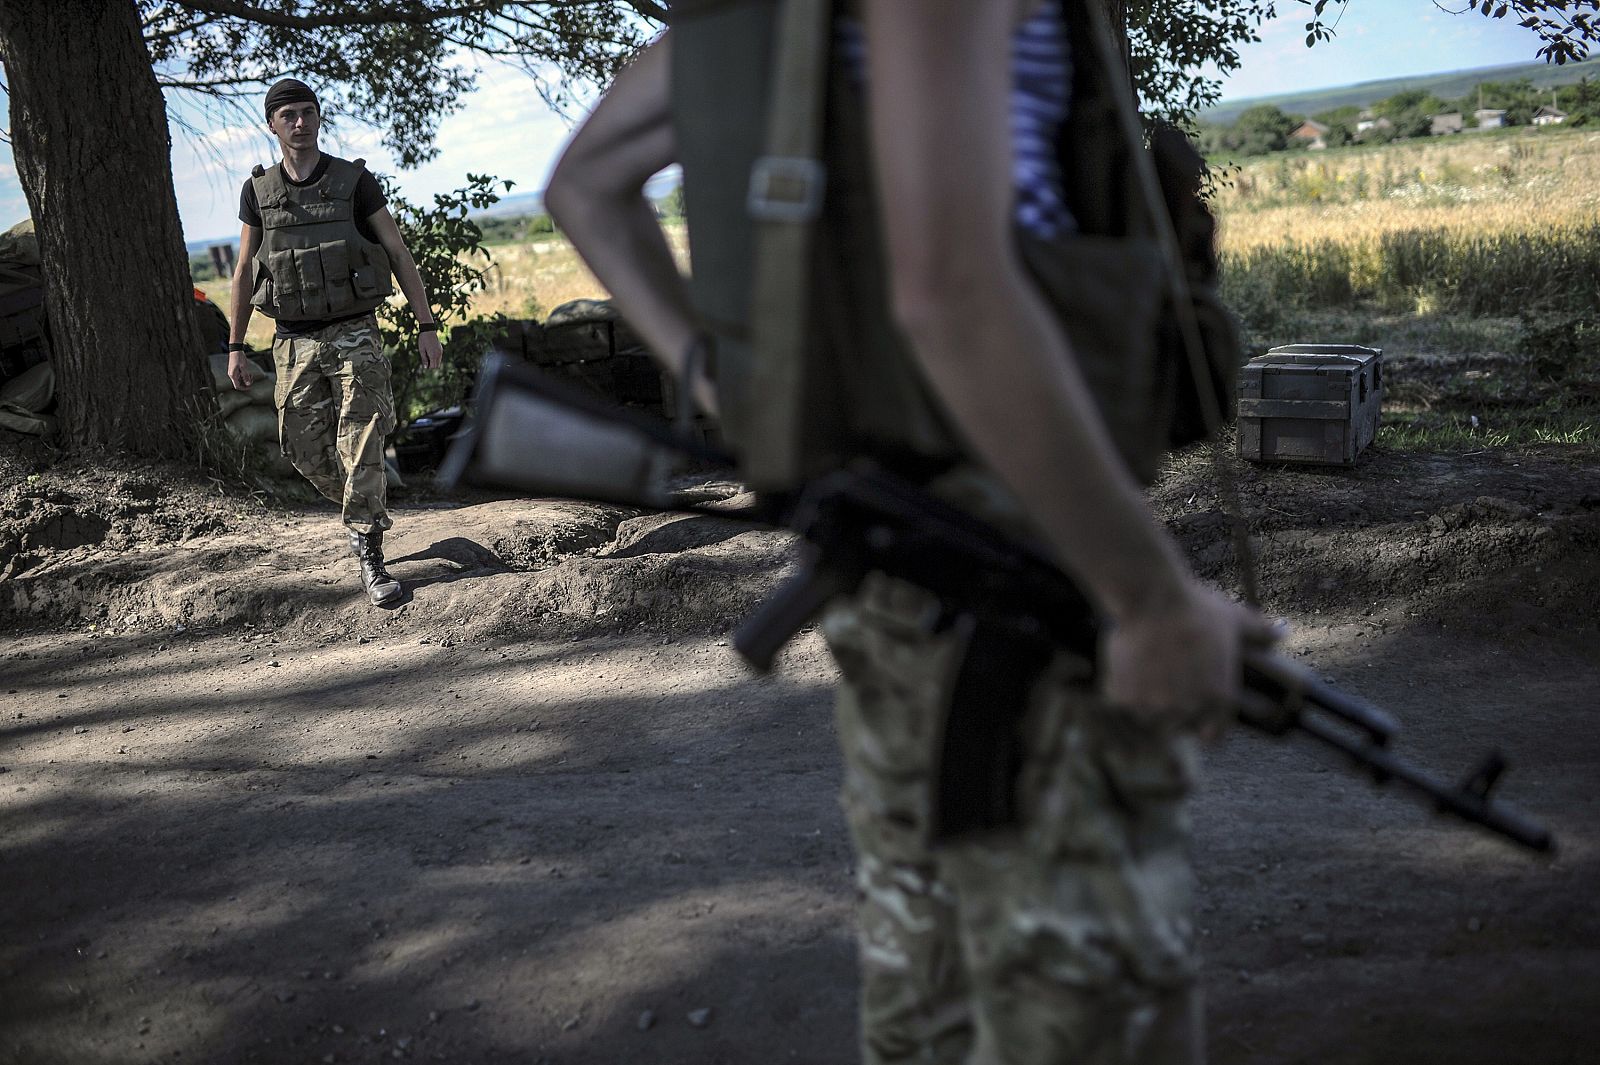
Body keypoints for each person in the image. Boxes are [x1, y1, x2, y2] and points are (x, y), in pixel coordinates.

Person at [546, 3, 1273, 1061]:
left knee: (931, 986)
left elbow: (585, 183)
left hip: (901, 521)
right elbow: (949, 293)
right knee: (1091, 1011)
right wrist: (1150, 598)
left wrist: (718, 379)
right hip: (1013, 520)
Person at [225, 77, 444, 607]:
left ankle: (368, 548)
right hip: (292, 341)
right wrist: (235, 346)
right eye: (289, 116)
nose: (301, 123)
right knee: (304, 448)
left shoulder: (354, 182)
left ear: (319, 118)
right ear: (272, 125)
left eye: (308, 112)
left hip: (355, 335)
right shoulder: (257, 193)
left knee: (363, 438)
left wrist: (426, 324)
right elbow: (241, 273)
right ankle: (362, 505)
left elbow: (396, 251)